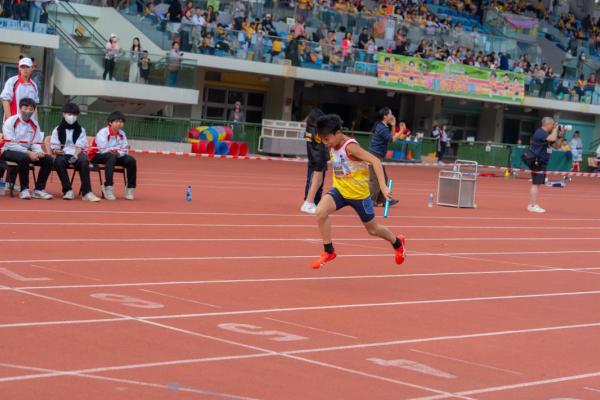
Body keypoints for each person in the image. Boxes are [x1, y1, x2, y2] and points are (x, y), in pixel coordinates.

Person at [310, 114, 406, 269]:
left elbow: (375, 161)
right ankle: (329, 251)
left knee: (373, 230)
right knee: (320, 212)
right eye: (323, 140)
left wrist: (382, 186)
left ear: (338, 133)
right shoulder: (331, 144)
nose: (325, 143)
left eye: (327, 139)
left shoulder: (350, 147)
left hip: (359, 195)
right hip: (340, 190)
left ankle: (397, 243)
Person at [0, 98, 53, 200]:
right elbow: (10, 144)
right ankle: (24, 190)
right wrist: (29, 152)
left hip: (28, 152)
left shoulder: (35, 124)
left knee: (48, 159)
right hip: (8, 151)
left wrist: (39, 152)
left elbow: (36, 143)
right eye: (25, 108)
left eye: (31, 109)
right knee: (24, 157)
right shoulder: (10, 121)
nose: (28, 111)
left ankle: (39, 190)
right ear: (20, 108)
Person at [50, 103, 101, 202]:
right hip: (63, 153)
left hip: (77, 153)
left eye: (74, 114)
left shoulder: (81, 130)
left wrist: (75, 156)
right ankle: (67, 190)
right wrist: (56, 150)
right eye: (69, 114)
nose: (72, 117)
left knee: (84, 161)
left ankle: (87, 192)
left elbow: (80, 146)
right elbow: (54, 146)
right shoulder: (57, 130)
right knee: (58, 162)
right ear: (64, 114)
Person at [89, 111, 137, 201]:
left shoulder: (122, 134)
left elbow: (125, 149)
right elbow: (103, 149)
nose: (119, 124)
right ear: (110, 122)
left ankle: (130, 189)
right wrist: (115, 150)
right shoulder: (103, 132)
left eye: (121, 122)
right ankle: (108, 187)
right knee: (110, 157)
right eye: (117, 121)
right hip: (98, 156)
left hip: (115, 156)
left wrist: (119, 153)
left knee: (131, 160)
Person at [527, 117, 563, 213]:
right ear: (548, 124)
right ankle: (533, 205)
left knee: (537, 183)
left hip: (541, 161)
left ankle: (532, 204)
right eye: (553, 124)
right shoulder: (541, 132)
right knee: (536, 183)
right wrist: (555, 130)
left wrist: (560, 136)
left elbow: (557, 146)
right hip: (537, 161)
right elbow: (552, 138)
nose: (554, 126)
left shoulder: (547, 134)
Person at [367, 107, 398, 207]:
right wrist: (401, 130)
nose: (392, 116)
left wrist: (393, 125)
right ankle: (370, 200)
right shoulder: (382, 128)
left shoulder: (383, 126)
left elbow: (391, 137)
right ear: (385, 116)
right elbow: (392, 139)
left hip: (378, 156)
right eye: (390, 114)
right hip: (374, 156)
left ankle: (383, 200)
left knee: (383, 178)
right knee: (375, 179)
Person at [300, 108, 326, 214]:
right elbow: (319, 143)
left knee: (318, 181)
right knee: (315, 181)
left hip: (315, 156)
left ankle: (313, 201)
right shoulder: (314, 129)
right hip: (316, 157)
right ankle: (309, 201)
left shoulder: (311, 128)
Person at [1, 57, 39, 122]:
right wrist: (10, 121)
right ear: (19, 68)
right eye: (22, 67)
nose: (25, 69)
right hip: (13, 122)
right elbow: (5, 101)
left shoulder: (34, 85)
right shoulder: (12, 81)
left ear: (31, 68)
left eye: (27, 67)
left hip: (28, 124)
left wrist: (36, 123)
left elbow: (34, 106)